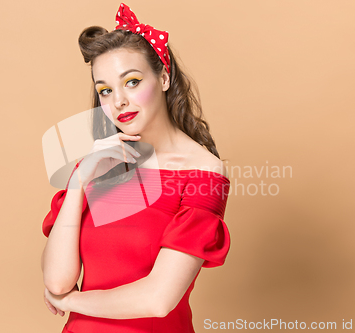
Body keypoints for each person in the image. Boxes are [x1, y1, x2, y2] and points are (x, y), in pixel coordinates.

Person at [41, 3, 231, 333]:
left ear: (164, 78)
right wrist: (79, 180)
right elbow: (57, 281)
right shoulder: (98, 163)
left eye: (131, 82)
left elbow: (158, 299)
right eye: (105, 90)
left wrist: (72, 303)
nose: (118, 102)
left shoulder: (203, 172)